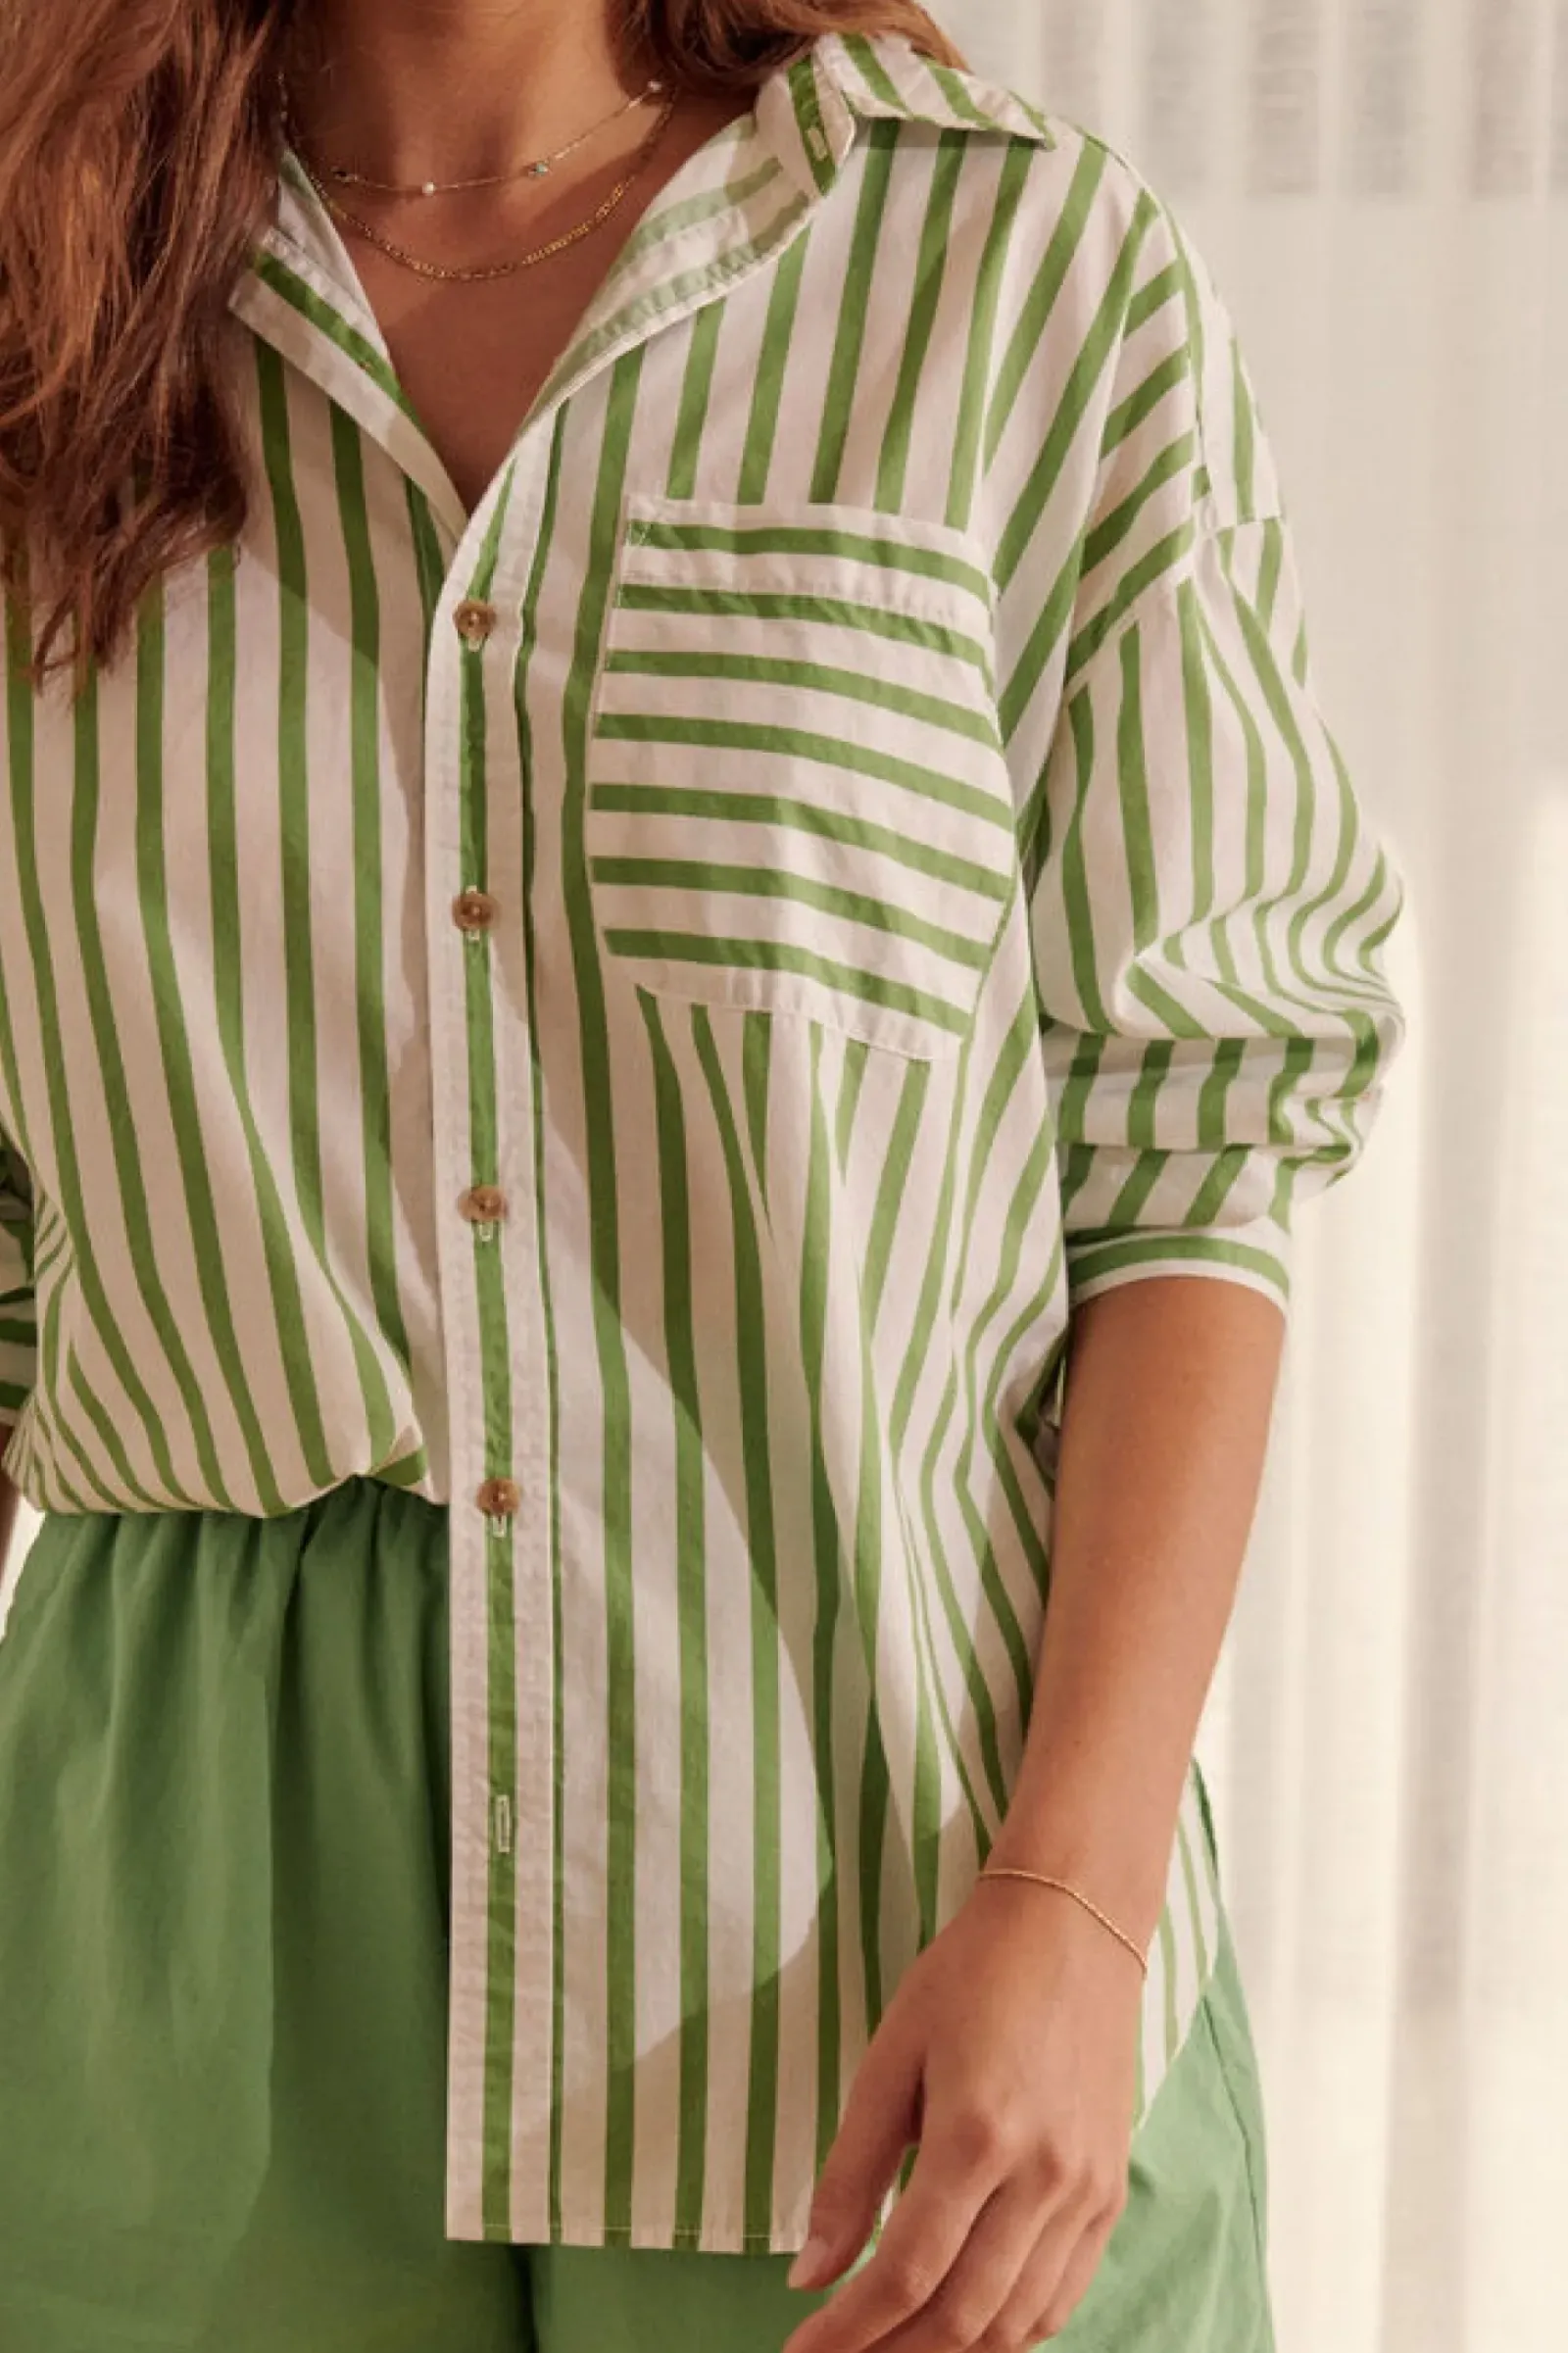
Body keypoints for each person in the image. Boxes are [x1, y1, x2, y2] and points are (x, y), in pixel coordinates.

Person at [0, 4, 1407, 2350]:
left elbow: (1186, 1153)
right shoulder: (45, 305)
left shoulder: (1005, 273)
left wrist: (1074, 1901)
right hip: (175, 1950)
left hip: (887, 1899)